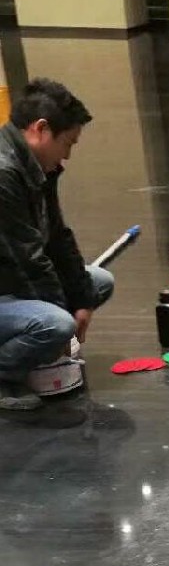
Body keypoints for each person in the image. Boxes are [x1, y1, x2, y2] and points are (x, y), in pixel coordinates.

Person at [0, 79, 114, 411]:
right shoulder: (4, 174)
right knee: (56, 324)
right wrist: (65, 325)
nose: (67, 154)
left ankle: (29, 349)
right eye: (67, 144)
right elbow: (29, 259)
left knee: (97, 283)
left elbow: (58, 238)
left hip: (9, 280)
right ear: (41, 129)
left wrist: (82, 301)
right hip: (10, 279)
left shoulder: (35, 167)